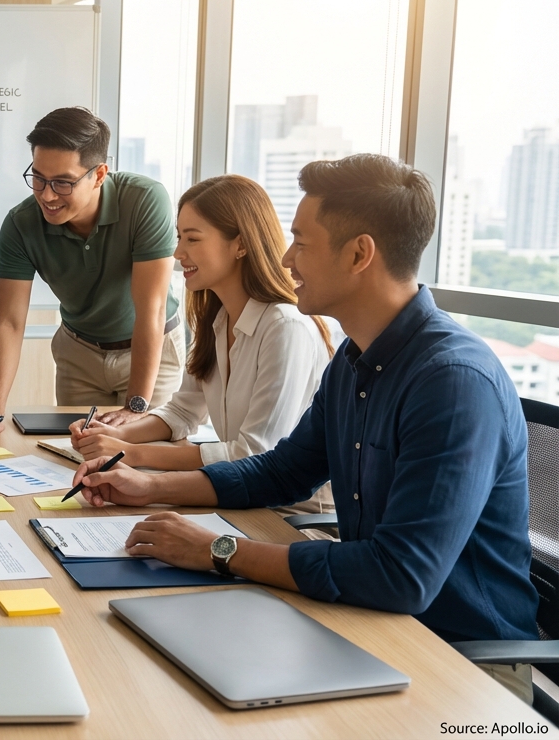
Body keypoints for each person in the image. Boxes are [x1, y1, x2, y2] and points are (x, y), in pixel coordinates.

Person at [70, 154, 539, 702]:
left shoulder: (452, 383)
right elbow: (283, 471)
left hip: (460, 665)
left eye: (302, 241)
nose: (287, 257)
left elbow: (400, 575)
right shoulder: (355, 359)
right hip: (370, 628)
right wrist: (147, 487)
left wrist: (218, 549)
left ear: (360, 253)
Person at [68, 175, 333, 484]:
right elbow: (183, 412)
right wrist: (111, 435)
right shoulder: (217, 319)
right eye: (179, 237)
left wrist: (128, 452)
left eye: (192, 239)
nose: (178, 253)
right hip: (236, 491)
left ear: (241, 244)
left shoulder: (285, 328)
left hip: (284, 511)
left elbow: (254, 453)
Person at [0, 107, 183, 444]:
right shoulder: (20, 224)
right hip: (78, 354)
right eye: (38, 177)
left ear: (99, 174)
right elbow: (9, 320)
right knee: (77, 456)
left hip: (150, 349)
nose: (46, 195)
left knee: (149, 459)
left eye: (63, 182)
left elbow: (149, 310)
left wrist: (137, 404)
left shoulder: (144, 200)